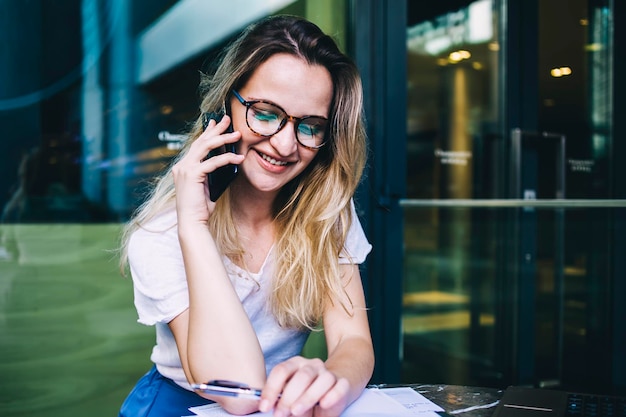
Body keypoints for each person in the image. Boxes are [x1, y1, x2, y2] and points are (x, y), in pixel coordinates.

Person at [118, 14, 374, 417]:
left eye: (311, 126)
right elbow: (238, 393)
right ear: (224, 109)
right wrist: (195, 227)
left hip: (279, 407)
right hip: (179, 405)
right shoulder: (161, 234)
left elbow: (353, 342)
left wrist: (334, 381)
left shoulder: (326, 213)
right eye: (267, 113)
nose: (286, 145)